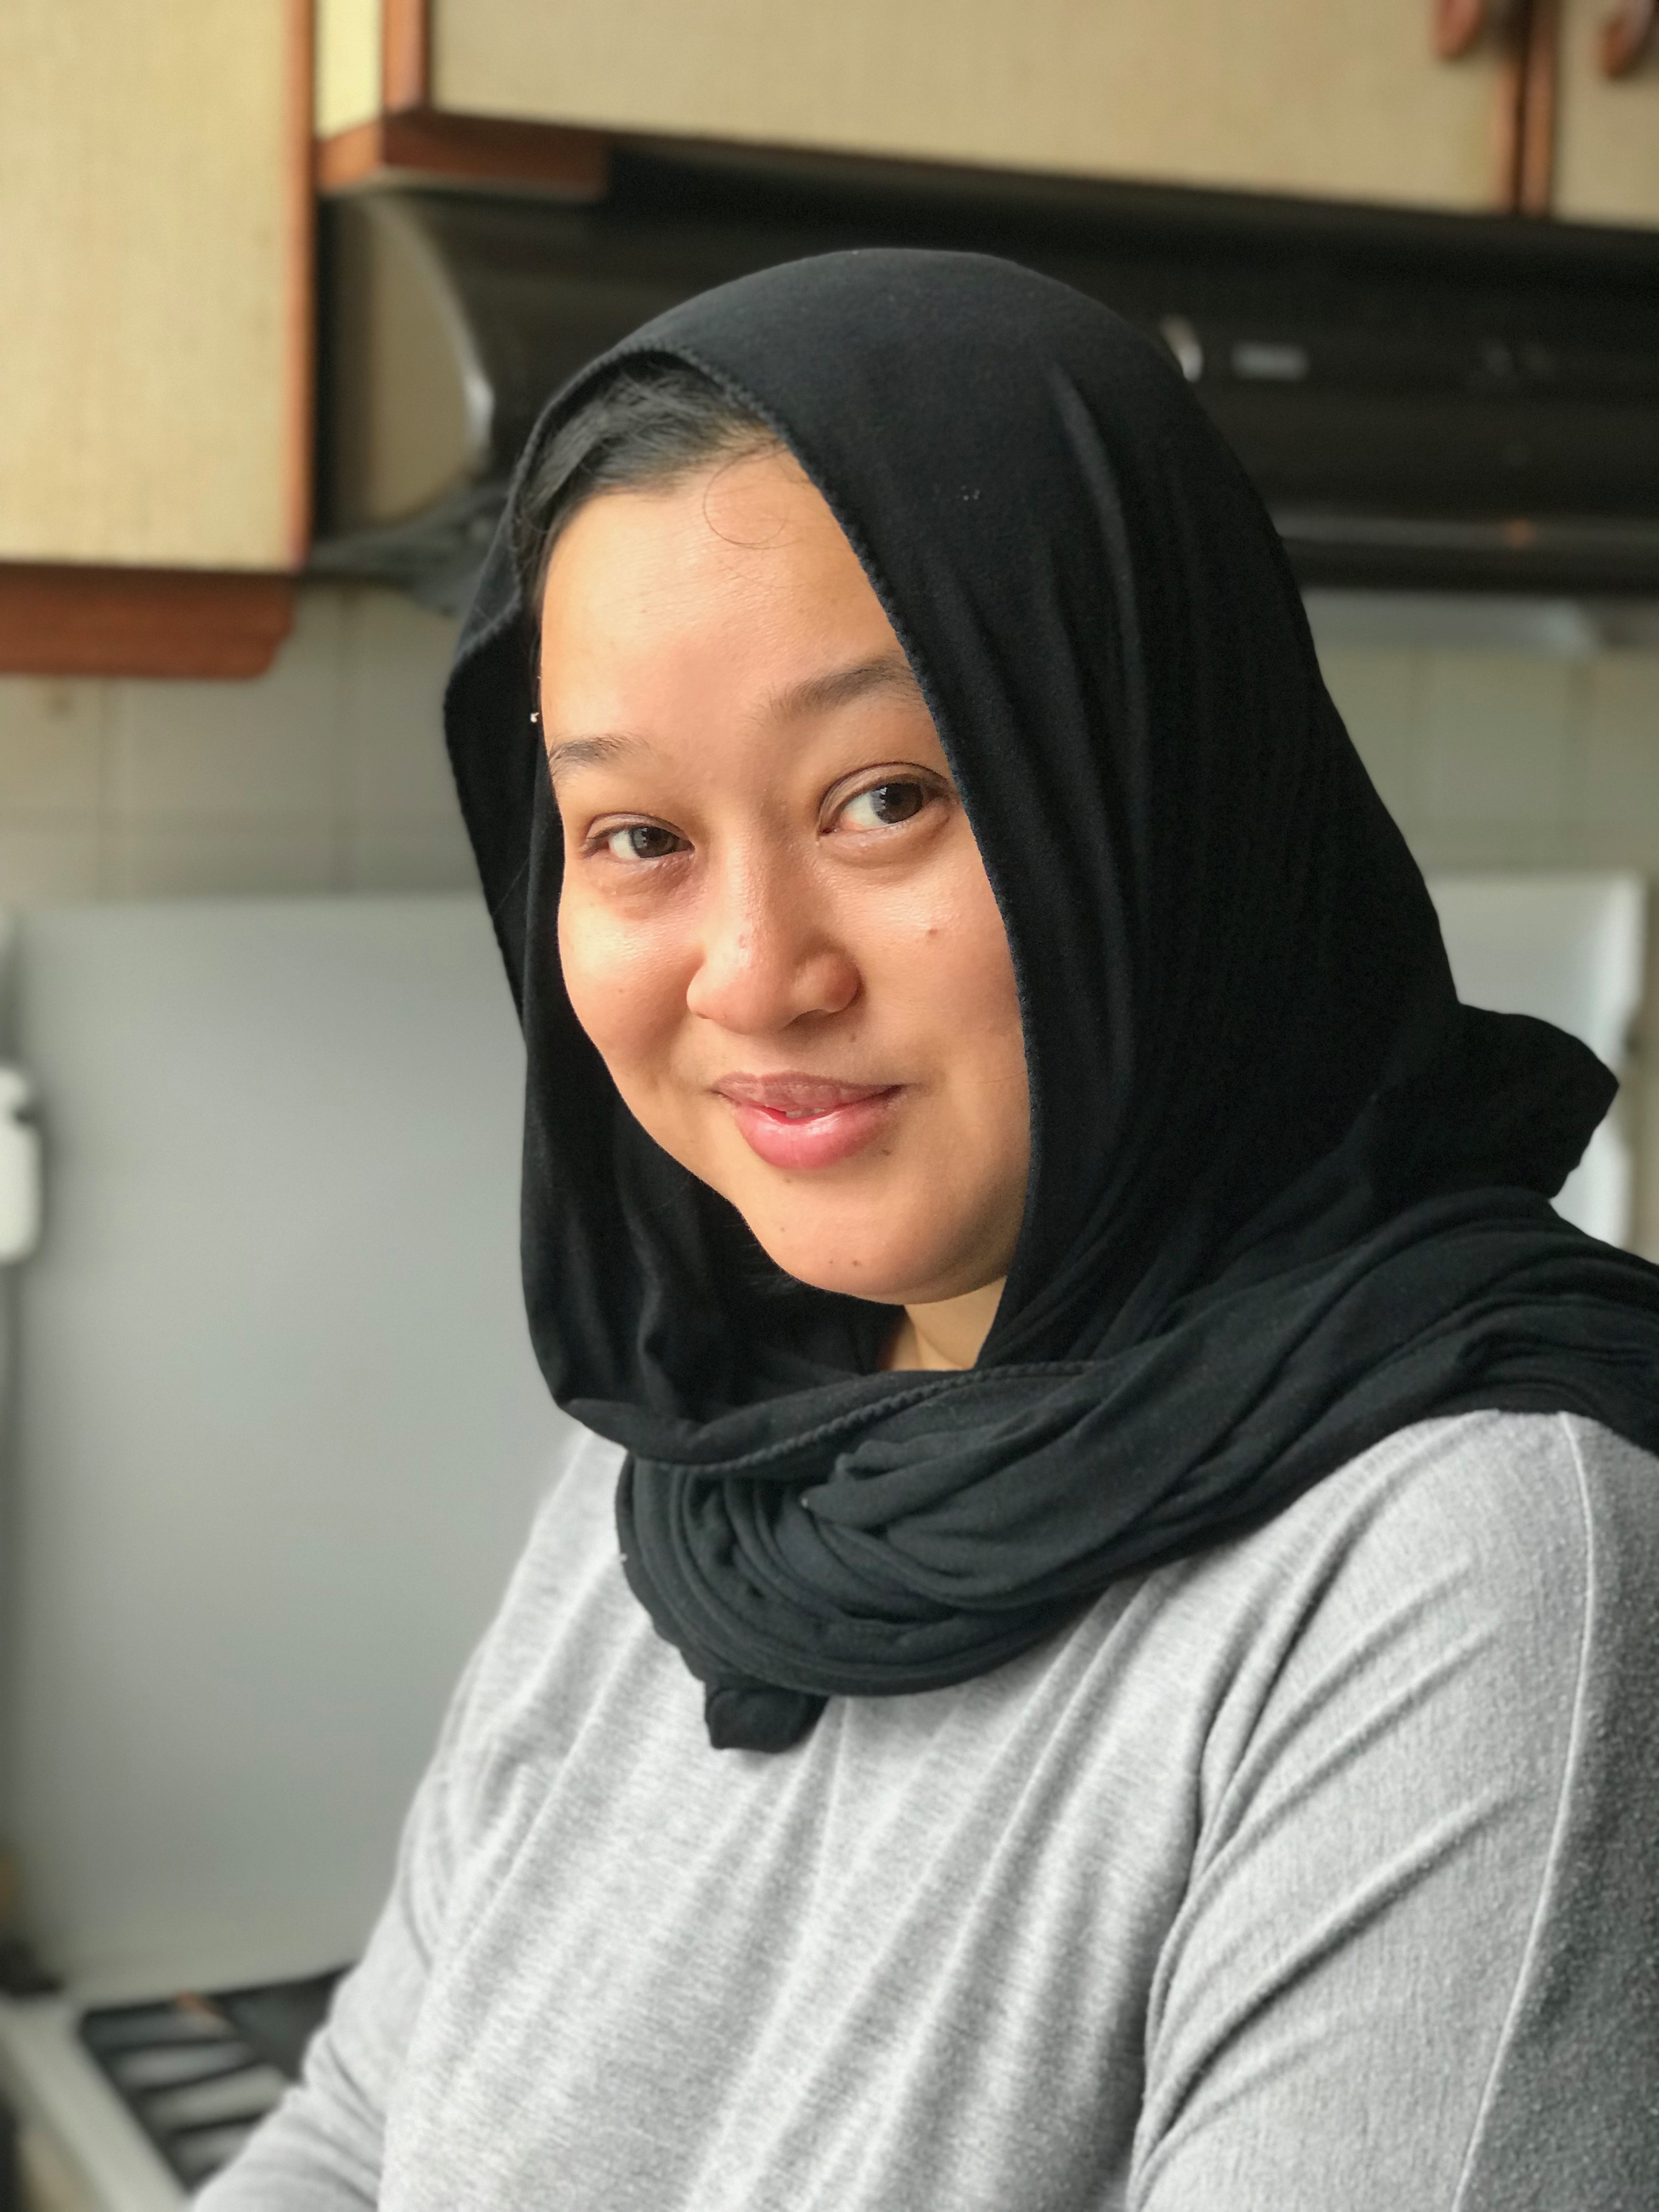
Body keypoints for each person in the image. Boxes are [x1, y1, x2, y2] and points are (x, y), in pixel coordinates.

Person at [202, 250, 1659, 2211]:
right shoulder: (701, 1433)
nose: (755, 973)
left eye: (887, 798)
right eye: (639, 837)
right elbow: (353, 2141)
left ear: (1157, 796)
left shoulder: (1480, 1564)